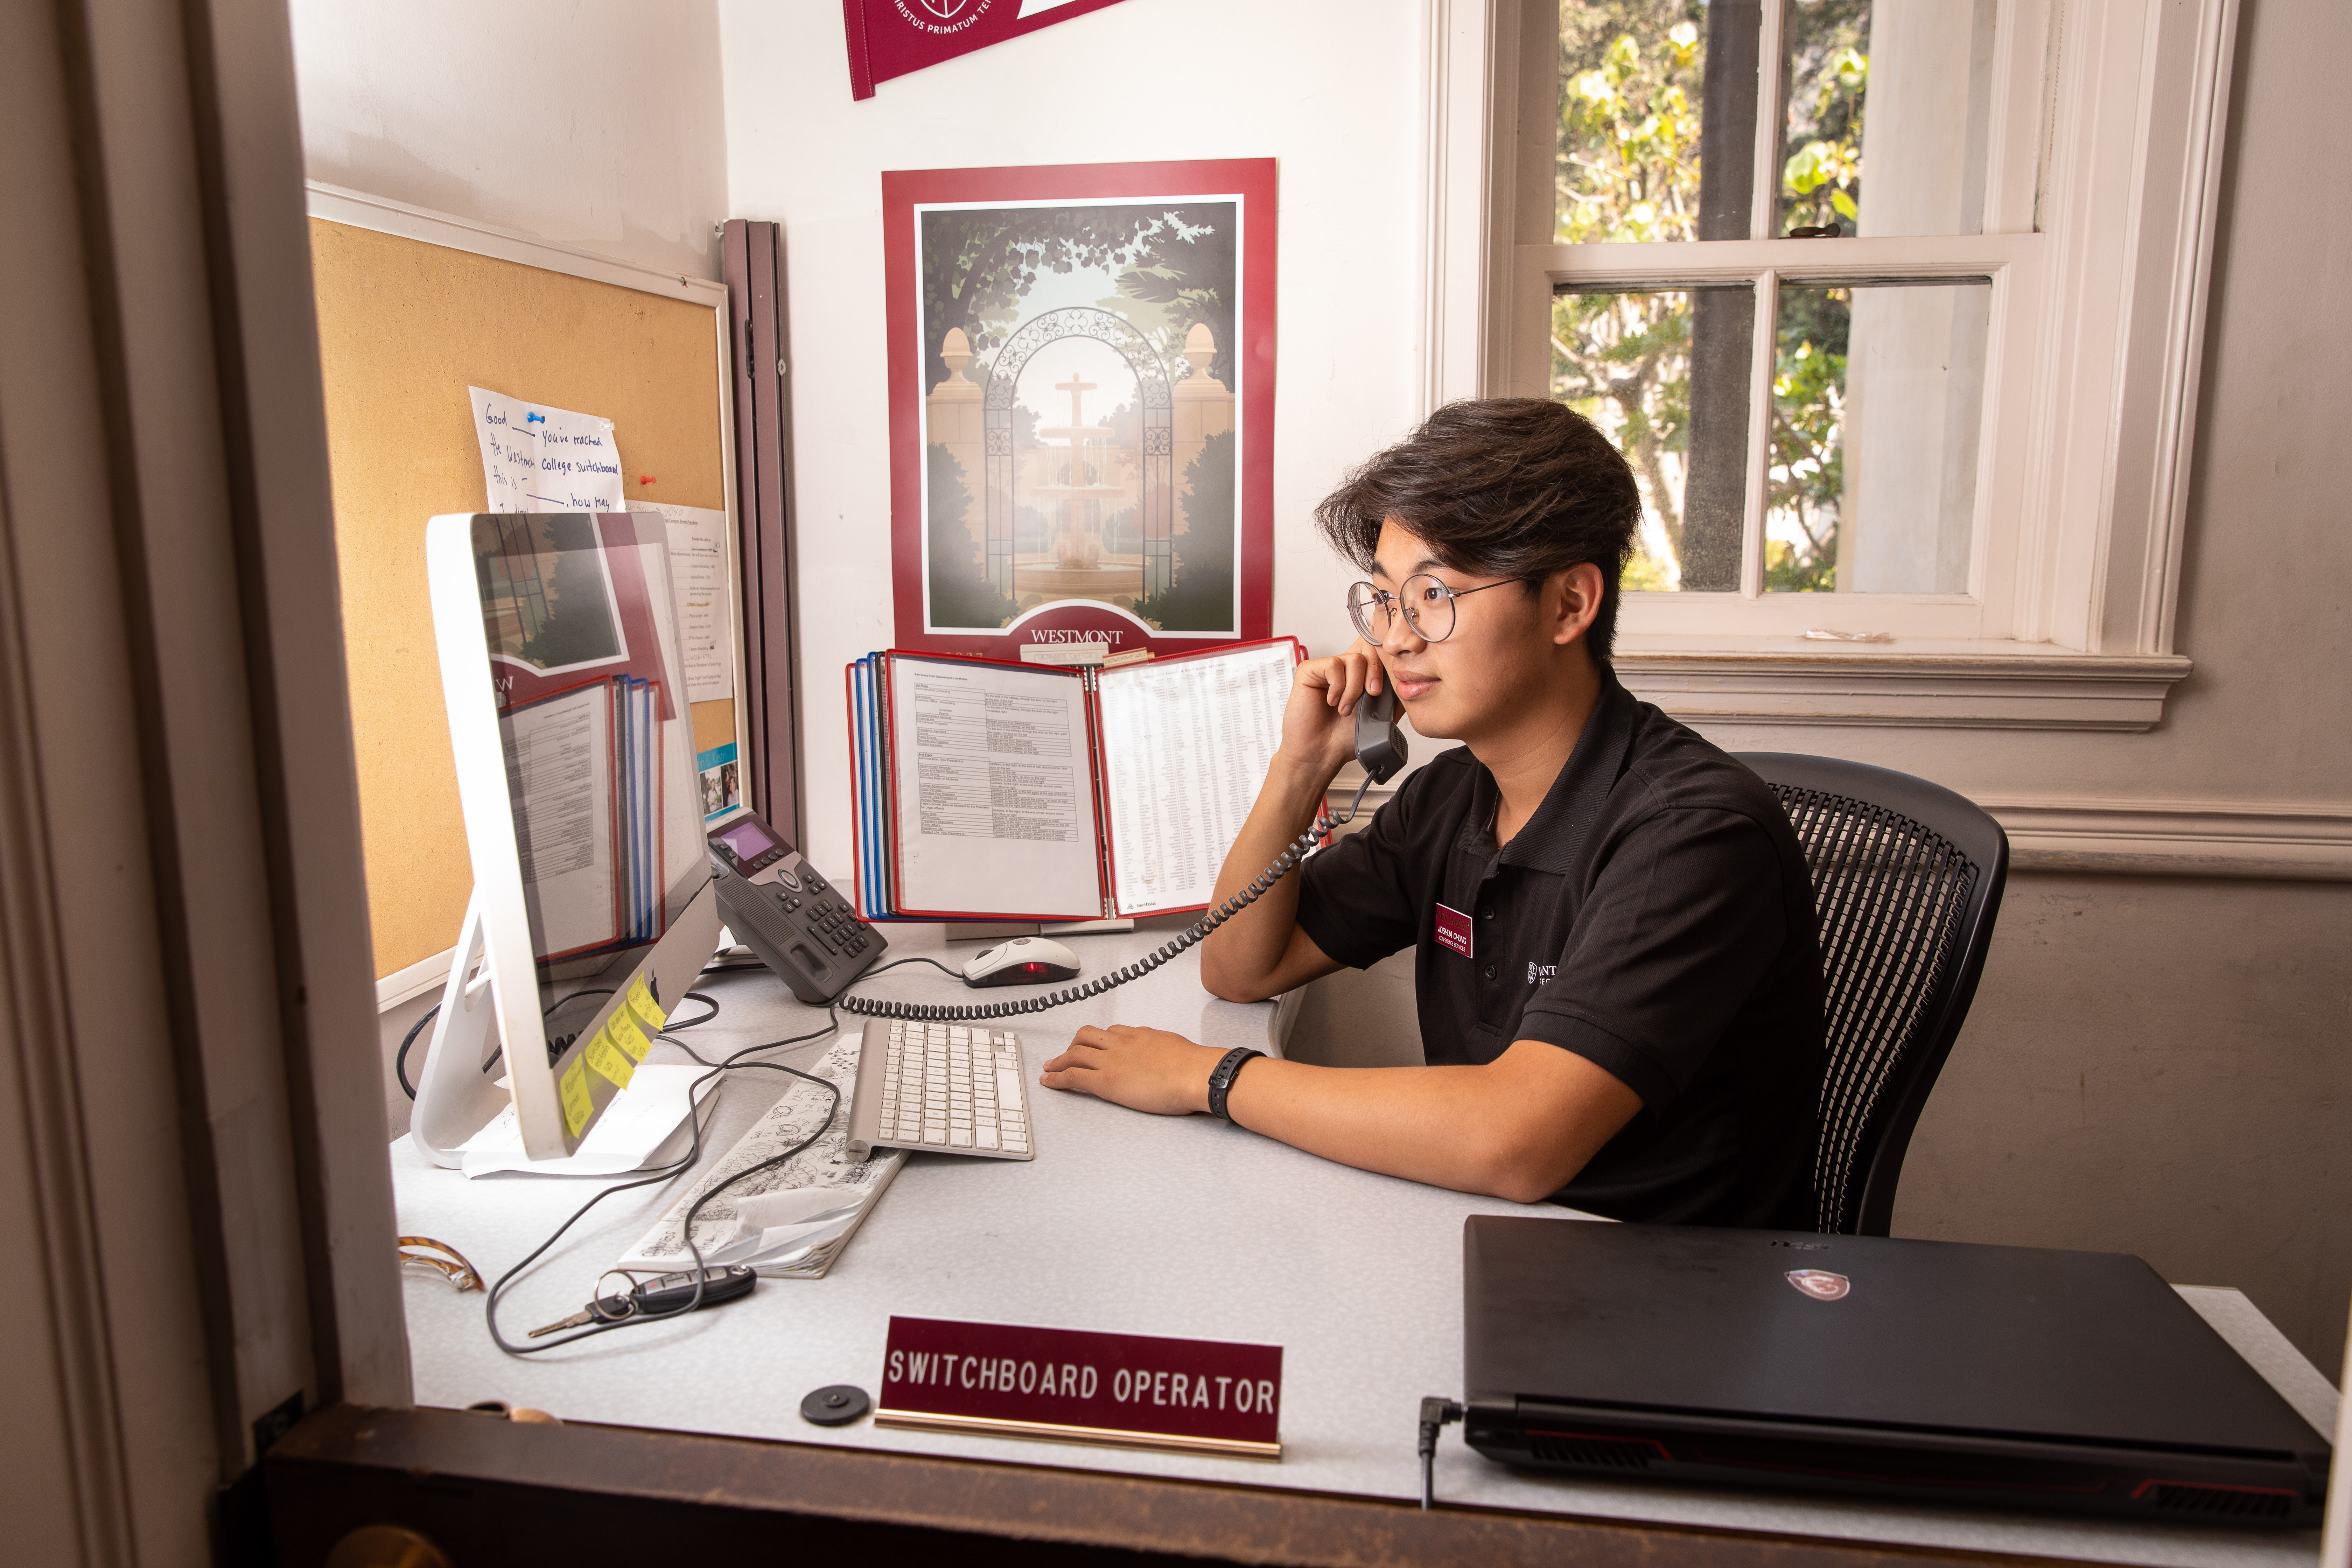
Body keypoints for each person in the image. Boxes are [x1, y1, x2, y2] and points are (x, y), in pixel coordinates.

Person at [1039, 398, 1827, 1227]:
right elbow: (1240, 965)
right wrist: (1301, 764)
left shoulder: (1693, 836)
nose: (1397, 638)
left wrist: (1210, 1076)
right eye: (1384, 599)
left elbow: (1515, 1141)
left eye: (1435, 595)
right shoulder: (1453, 795)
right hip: (1494, 1241)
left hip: (1659, 1294)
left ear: (1569, 605)